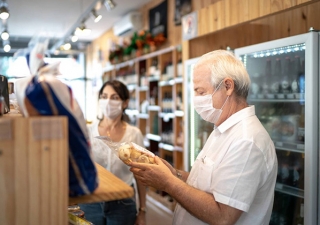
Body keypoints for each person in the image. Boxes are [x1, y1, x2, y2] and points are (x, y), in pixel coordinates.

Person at [130, 50, 278, 225]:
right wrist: (174, 174)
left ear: (228, 86)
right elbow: (207, 186)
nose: (196, 100)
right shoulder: (223, 128)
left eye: (201, 92)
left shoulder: (246, 141)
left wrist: (168, 183)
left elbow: (222, 216)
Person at [80, 80, 146, 225]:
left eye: (114, 97)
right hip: (91, 201)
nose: (108, 101)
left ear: (125, 103)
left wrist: (142, 211)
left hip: (123, 205)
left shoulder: (134, 134)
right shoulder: (87, 131)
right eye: (104, 96)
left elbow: (141, 175)